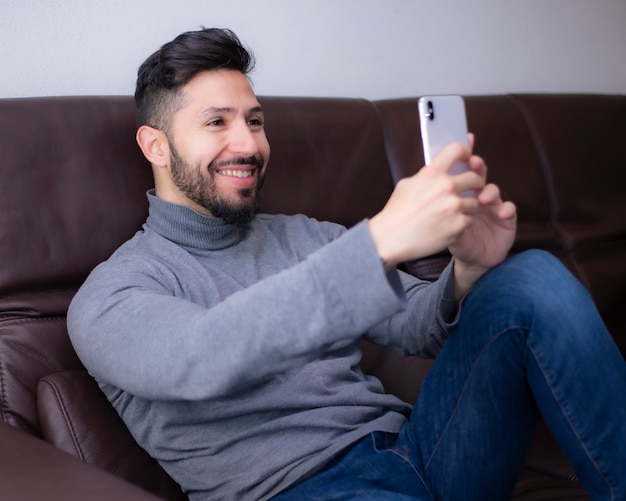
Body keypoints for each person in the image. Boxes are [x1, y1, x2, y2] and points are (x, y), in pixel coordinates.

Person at [67, 27, 626, 501]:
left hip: (421, 449)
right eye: (217, 123)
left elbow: (417, 326)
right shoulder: (112, 295)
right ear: (155, 146)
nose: (249, 144)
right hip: (304, 489)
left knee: (530, 277)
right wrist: (381, 239)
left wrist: (467, 271)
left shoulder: (302, 235)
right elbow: (202, 356)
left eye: (255, 121)